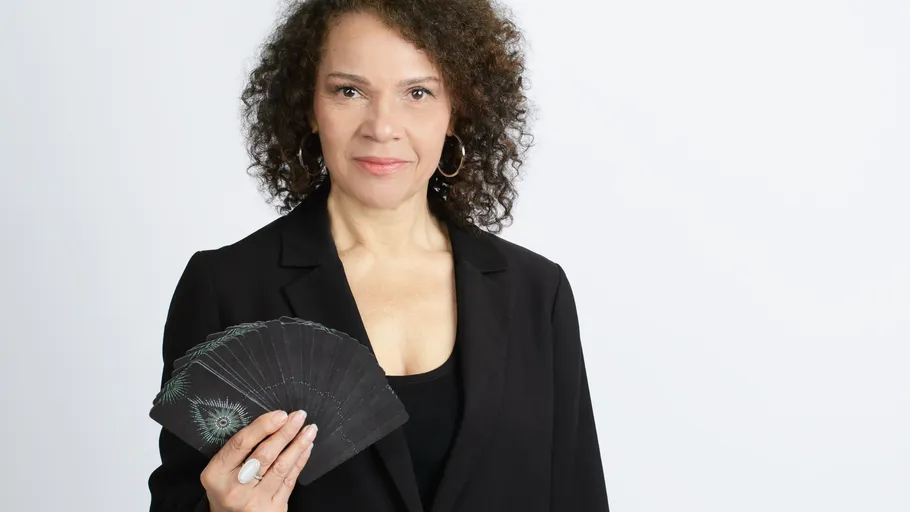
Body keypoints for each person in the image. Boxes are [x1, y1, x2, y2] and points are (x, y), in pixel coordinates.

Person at [147, 0, 609, 511]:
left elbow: (578, 496)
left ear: (457, 108)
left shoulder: (536, 292)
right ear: (309, 105)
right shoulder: (227, 288)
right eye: (349, 91)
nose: (382, 127)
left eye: (418, 93)